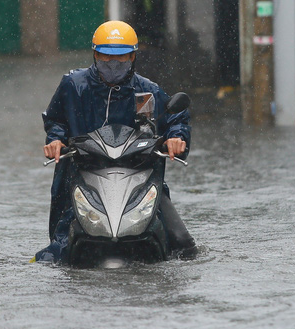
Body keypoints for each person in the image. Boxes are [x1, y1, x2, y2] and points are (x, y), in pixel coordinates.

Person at [35, 20, 196, 263]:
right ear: (94, 54)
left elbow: (175, 117)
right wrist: (55, 141)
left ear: (133, 57)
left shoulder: (147, 91)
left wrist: (176, 138)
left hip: (138, 178)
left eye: (122, 58)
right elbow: (56, 120)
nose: (113, 64)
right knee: (56, 252)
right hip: (82, 173)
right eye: (105, 56)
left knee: (183, 245)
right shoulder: (73, 85)